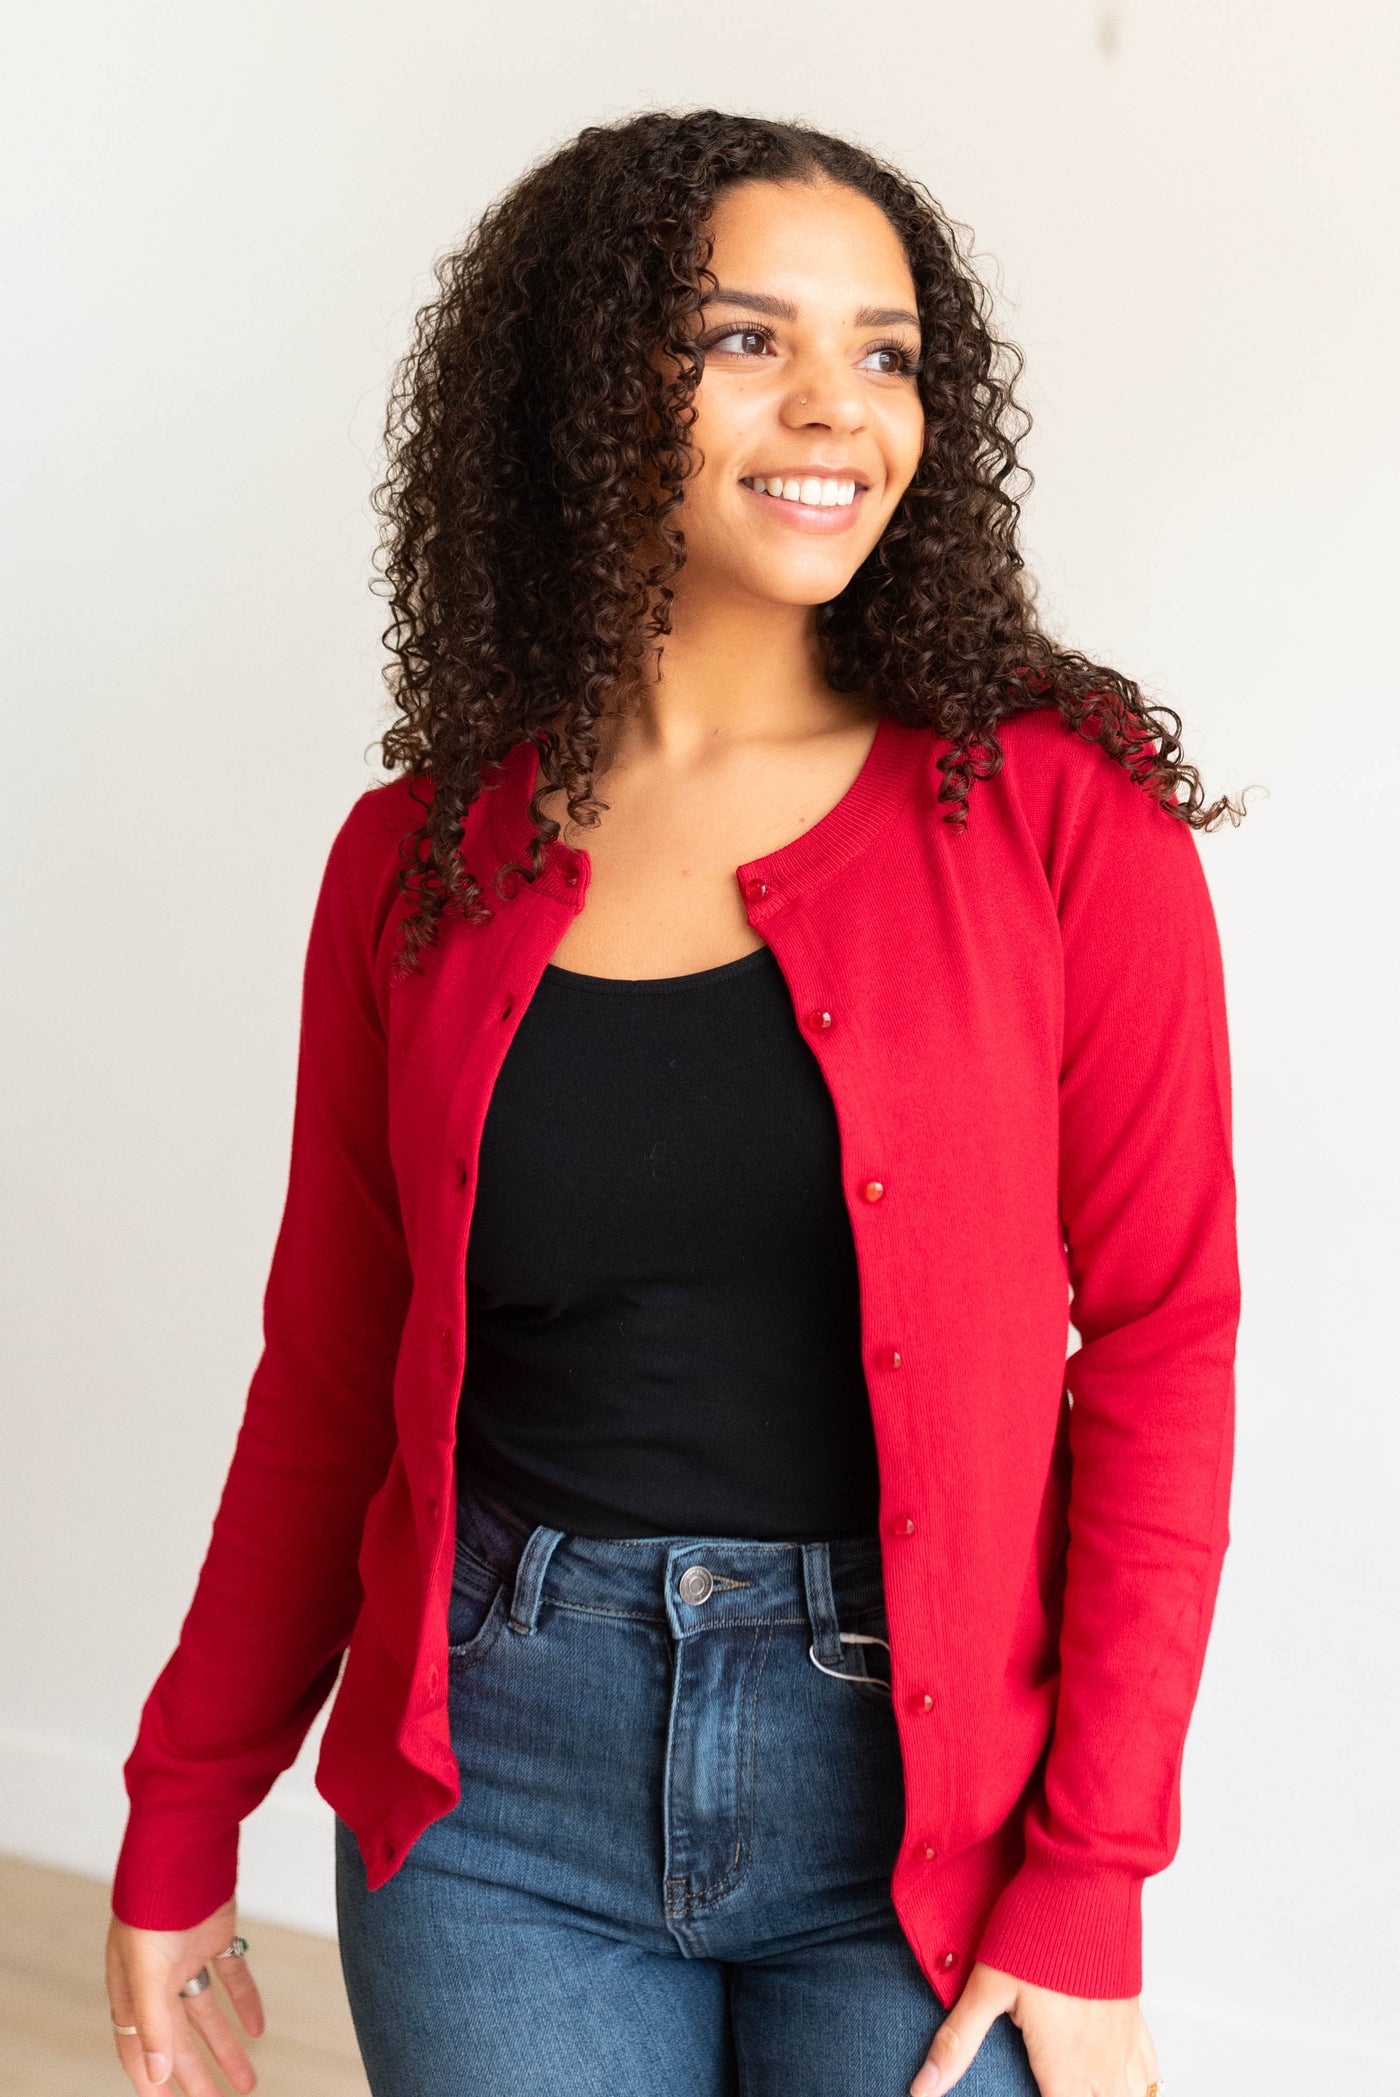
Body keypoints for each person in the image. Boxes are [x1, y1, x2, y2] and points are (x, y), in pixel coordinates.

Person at [104, 108, 1248, 2097]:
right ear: (584, 381)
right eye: (744, 337)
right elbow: (330, 1365)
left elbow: (1164, 1344)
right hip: (495, 1793)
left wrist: (1093, 1869)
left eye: (885, 350)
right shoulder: (419, 858)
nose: (835, 406)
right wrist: (186, 1793)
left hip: (918, 1803)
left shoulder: (1062, 818)